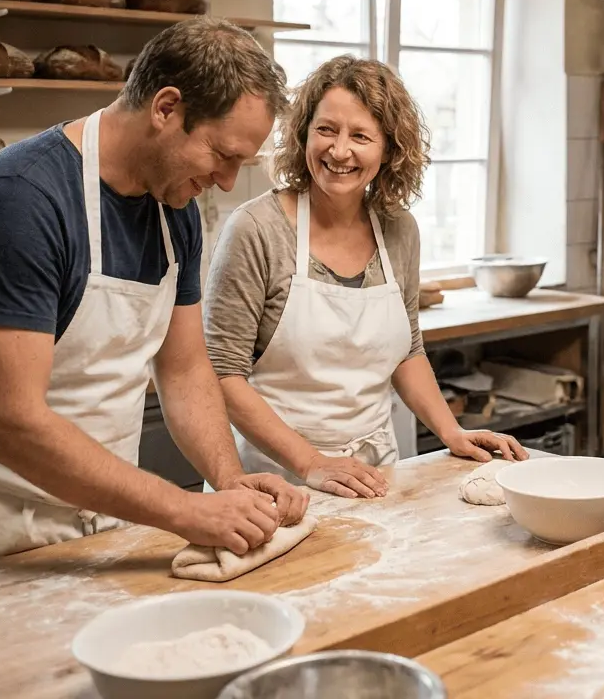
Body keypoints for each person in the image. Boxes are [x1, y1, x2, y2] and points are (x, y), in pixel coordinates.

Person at [0, 17, 309, 577]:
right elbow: (11, 424)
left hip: (108, 510)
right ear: (166, 108)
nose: (229, 182)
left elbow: (185, 369)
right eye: (223, 154)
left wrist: (230, 478)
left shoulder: (175, 212)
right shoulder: (18, 202)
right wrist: (185, 509)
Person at [203, 55, 525, 499]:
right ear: (302, 134)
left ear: (389, 149)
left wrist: (453, 433)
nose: (339, 151)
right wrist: (311, 463)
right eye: (326, 130)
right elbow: (222, 373)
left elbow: (407, 351)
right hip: (274, 482)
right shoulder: (256, 230)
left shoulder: (398, 230)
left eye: (360, 136)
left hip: (375, 478)